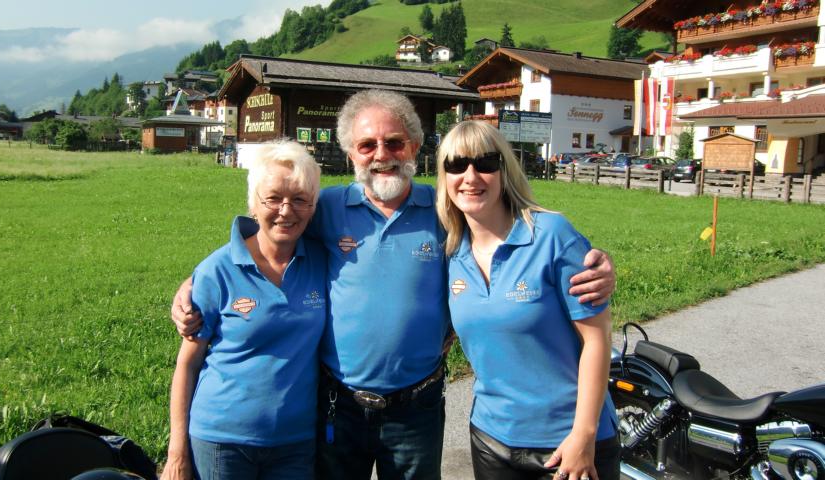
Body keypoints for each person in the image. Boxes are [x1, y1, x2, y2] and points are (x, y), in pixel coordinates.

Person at [171, 89, 617, 480]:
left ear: (415, 148)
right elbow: (271, 229)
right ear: (351, 154)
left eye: (394, 142)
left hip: (416, 409)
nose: (381, 154)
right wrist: (195, 283)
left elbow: (508, 231)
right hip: (339, 405)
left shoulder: (445, 212)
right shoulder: (327, 208)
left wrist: (599, 264)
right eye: (367, 145)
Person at [435, 120, 620, 480]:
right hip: (491, 438)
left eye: (485, 163)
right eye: (457, 165)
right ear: (444, 177)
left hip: (567, 441)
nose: (470, 177)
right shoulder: (451, 252)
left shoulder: (551, 235)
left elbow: (597, 339)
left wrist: (583, 435)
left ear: (504, 170)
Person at [160, 140, 326, 480]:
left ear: (313, 207)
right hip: (222, 441)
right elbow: (187, 364)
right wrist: (176, 453)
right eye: (273, 198)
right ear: (253, 203)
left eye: (299, 199)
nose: (286, 211)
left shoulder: (323, 261)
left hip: (296, 441)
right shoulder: (217, 270)